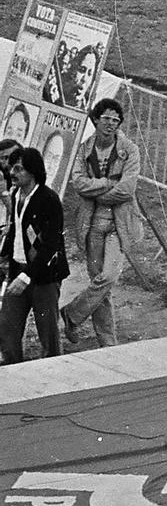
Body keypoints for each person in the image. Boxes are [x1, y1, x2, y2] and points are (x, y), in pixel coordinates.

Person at [61, 98, 144, 347]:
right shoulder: (85, 149)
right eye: (106, 118)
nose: (111, 124)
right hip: (92, 223)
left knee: (109, 276)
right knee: (100, 285)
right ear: (96, 119)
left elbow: (127, 189)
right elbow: (78, 183)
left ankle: (73, 313)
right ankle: (107, 343)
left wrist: (97, 190)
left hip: (119, 222)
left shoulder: (129, 149)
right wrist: (107, 183)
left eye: (116, 120)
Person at [0, 148, 70, 364]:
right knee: (8, 326)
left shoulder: (49, 199)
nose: (12, 172)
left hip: (44, 277)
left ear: (33, 171)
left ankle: (53, 375)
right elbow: (16, 231)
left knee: (47, 331)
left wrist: (26, 276)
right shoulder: (15, 194)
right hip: (18, 271)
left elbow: (51, 245)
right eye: (11, 167)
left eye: (18, 168)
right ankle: (12, 369)